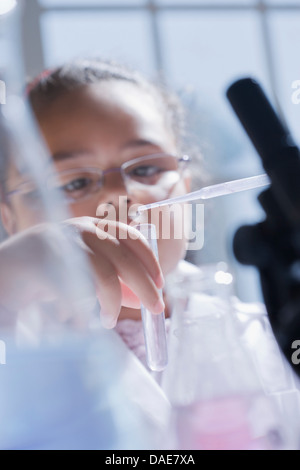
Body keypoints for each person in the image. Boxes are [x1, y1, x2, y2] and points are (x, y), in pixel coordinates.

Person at [0, 58, 196, 347]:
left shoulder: (271, 338)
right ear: (10, 220)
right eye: (73, 183)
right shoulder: (13, 339)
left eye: (145, 170)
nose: (117, 195)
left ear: (187, 188)